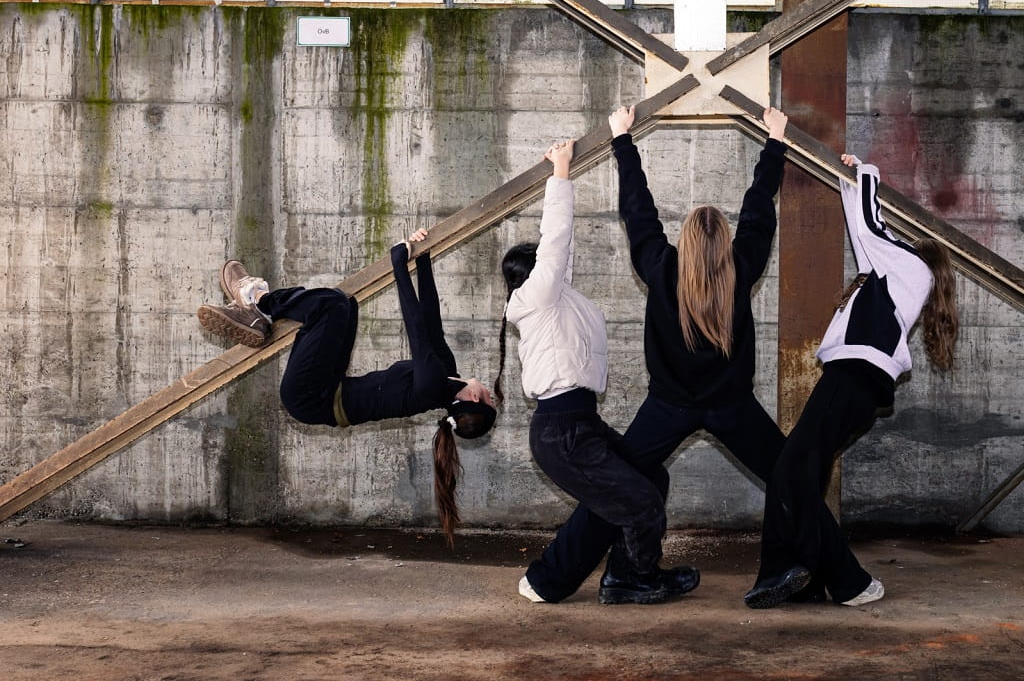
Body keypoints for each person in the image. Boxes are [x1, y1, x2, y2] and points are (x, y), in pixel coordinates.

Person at [517, 104, 789, 604]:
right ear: (727, 247)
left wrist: (623, 139)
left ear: (683, 242)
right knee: (792, 473)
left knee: (621, 483)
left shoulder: (662, 267)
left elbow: (637, 210)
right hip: (732, 405)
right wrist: (775, 141)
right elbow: (758, 209)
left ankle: (550, 579)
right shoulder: (742, 266)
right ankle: (825, 572)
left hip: (668, 406)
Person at [744, 153, 959, 609]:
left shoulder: (910, 269)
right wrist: (847, 183)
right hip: (851, 381)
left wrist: (863, 172)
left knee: (791, 473)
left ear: (919, 250)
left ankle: (850, 582)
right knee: (798, 474)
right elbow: (866, 238)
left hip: (853, 380)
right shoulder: (894, 276)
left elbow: (870, 229)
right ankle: (798, 578)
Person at [196, 229, 497, 548]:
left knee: (329, 306)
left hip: (311, 398)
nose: (491, 393)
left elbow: (416, 327)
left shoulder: (432, 387)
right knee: (346, 305)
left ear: (476, 399)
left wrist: (398, 263)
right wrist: (421, 258)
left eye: (491, 399)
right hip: (328, 385)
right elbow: (430, 319)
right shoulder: (448, 375)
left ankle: (254, 297)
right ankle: (255, 319)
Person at [495, 139, 687, 605]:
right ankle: (640, 578)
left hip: (582, 423)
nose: (555, 265)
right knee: (638, 503)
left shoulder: (560, 298)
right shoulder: (535, 299)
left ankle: (608, 575)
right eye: (544, 264)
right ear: (534, 273)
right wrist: (559, 172)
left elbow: (563, 250)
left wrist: (565, 173)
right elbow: (556, 241)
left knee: (650, 481)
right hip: (561, 429)